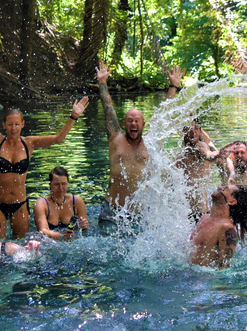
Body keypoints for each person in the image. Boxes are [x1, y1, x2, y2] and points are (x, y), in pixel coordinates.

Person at [0, 87, 90, 238]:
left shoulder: (30, 143)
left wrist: (74, 116)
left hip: (19, 203)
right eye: (10, 124)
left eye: (17, 124)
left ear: (22, 124)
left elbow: (58, 138)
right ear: (4, 125)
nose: (13, 128)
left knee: (21, 247)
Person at [96, 61, 181, 220]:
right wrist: (102, 82)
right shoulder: (115, 139)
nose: (133, 124)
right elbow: (108, 107)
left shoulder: (152, 143)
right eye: (129, 120)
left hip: (138, 215)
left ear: (143, 124)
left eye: (136, 121)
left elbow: (166, 114)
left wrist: (173, 87)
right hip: (112, 211)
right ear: (124, 124)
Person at [189, 184, 247, 268]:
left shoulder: (226, 228)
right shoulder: (204, 218)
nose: (219, 187)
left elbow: (224, 268)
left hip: (203, 280)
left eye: (225, 188)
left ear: (232, 201)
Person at [33, 166, 89, 242]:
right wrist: (61, 237)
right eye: (56, 184)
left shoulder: (77, 202)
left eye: (63, 184)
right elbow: (43, 230)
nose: (61, 188)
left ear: (68, 184)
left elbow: (85, 230)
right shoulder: (41, 204)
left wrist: (83, 226)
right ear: (50, 184)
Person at [175, 121, 221, 213]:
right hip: (186, 217)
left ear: (200, 132)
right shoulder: (180, 159)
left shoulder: (200, 146)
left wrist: (215, 156)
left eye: (196, 128)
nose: (193, 132)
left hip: (201, 214)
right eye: (190, 128)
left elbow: (208, 154)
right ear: (184, 131)